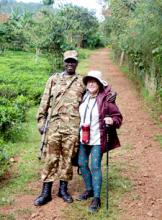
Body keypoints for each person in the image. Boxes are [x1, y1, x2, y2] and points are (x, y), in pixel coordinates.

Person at [34, 51, 116, 206]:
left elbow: (97, 89)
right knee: (50, 159)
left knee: (67, 159)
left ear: (77, 63)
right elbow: (44, 102)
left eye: (73, 61)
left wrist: (112, 94)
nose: (70, 64)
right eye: (68, 61)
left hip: (73, 129)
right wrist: (41, 122)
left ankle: (63, 190)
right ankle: (45, 192)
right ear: (64, 62)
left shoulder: (81, 82)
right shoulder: (53, 79)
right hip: (53, 127)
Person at [77, 70, 123, 213]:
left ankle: (96, 198)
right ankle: (89, 189)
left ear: (99, 83)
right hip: (83, 138)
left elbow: (118, 117)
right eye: (88, 81)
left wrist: (112, 120)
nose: (91, 83)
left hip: (97, 138)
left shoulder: (106, 99)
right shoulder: (83, 97)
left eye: (94, 81)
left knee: (95, 166)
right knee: (82, 164)